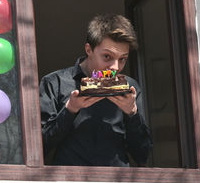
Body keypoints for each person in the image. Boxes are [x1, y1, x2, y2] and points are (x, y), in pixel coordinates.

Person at [40, 13, 152, 167]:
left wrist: (132, 113)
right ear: (89, 50)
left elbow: (142, 155)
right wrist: (70, 110)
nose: (115, 67)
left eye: (122, 59)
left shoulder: (130, 88)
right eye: (107, 56)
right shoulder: (55, 82)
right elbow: (39, 148)